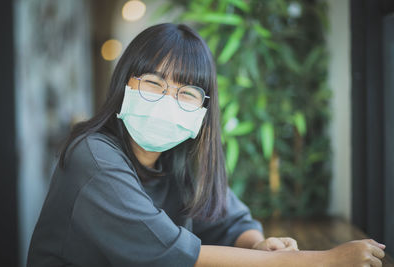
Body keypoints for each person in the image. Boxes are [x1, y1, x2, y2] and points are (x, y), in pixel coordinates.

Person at [27, 23, 385, 267]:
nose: (169, 101)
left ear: (202, 109)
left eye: (187, 93)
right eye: (153, 83)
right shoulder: (93, 158)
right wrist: (318, 260)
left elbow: (230, 219)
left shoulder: (179, 156)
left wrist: (257, 245)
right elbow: (167, 252)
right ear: (125, 85)